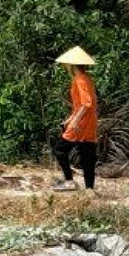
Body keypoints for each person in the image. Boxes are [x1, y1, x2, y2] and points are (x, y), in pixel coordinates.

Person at [51, 46, 99, 191]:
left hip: (81, 123)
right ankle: (89, 189)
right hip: (89, 122)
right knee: (87, 155)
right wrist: (69, 119)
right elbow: (80, 105)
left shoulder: (79, 80)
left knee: (60, 150)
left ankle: (69, 181)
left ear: (71, 65)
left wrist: (75, 121)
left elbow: (86, 103)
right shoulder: (87, 79)